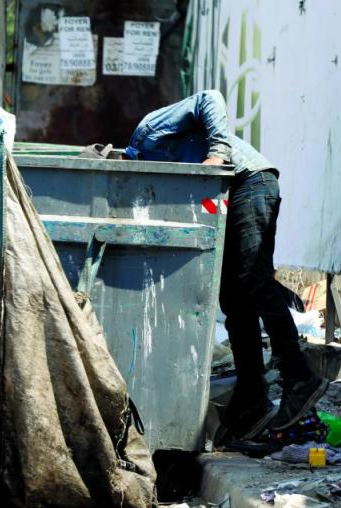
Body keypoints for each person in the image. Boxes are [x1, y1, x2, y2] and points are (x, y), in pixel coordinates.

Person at [123, 90, 328, 439]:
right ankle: (252, 397)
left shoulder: (147, 133)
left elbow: (210, 98)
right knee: (233, 299)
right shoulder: (157, 181)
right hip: (230, 195)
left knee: (254, 278)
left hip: (251, 180)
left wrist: (217, 153)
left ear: (127, 162)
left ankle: (299, 377)